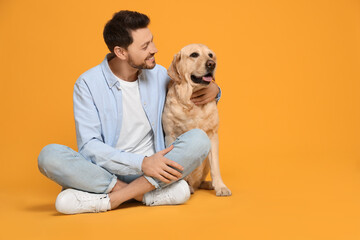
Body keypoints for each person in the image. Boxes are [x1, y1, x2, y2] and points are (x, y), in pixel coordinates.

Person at [38, 10, 221, 214]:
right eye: (145, 46)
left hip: (157, 169)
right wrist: (142, 163)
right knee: (49, 156)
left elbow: (188, 83)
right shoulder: (87, 84)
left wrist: (214, 89)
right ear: (121, 52)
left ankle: (107, 199)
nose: (154, 49)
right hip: (108, 172)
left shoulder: (160, 74)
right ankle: (141, 194)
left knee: (199, 139)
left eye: (151, 41)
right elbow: (89, 146)